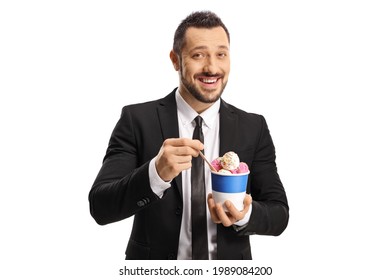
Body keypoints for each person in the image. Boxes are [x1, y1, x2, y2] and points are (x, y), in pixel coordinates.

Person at [89, 11, 289, 260]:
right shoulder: (136, 120)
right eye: (198, 55)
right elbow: (100, 207)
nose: (212, 67)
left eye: (221, 54)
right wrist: (155, 173)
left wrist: (245, 214)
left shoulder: (253, 126)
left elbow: (279, 213)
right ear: (175, 60)